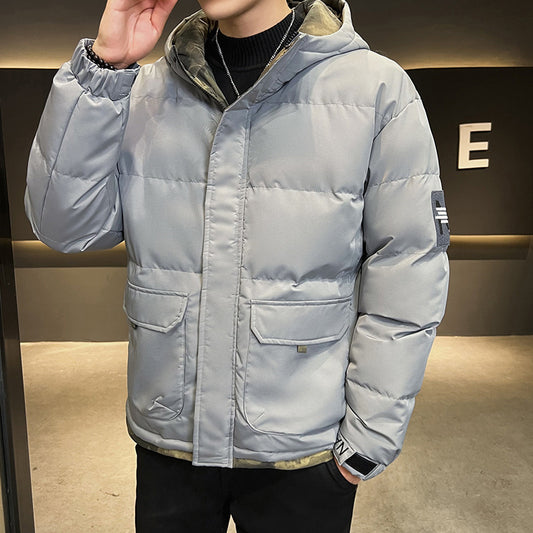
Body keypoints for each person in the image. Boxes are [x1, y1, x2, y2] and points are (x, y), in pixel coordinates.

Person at [24, 0, 450, 530]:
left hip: (302, 451)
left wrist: (369, 439)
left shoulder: (374, 89)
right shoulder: (144, 91)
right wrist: (105, 67)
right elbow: (65, 227)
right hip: (170, 438)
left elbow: (409, 267)